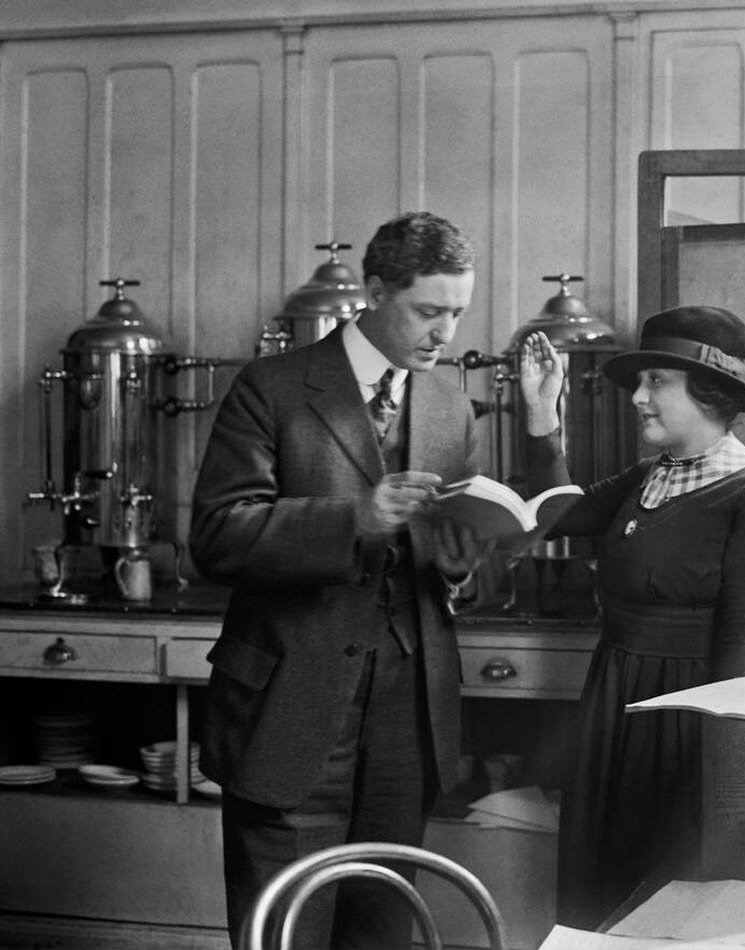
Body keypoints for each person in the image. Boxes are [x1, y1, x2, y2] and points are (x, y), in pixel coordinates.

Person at [190, 211, 556, 950]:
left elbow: (455, 569)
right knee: (284, 930)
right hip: (290, 712)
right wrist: (352, 517)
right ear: (375, 288)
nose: (444, 334)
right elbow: (216, 536)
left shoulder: (452, 407)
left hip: (407, 721)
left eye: (456, 313)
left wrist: (459, 564)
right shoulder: (274, 387)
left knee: (383, 929)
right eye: (428, 312)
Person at [518, 306, 745, 929]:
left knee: (661, 902)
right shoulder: (650, 477)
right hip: (611, 703)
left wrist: (711, 781)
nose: (638, 398)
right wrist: (541, 418)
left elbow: (738, 651)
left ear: (709, 392)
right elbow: (560, 516)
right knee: (595, 887)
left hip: (682, 725)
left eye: (656, 383)